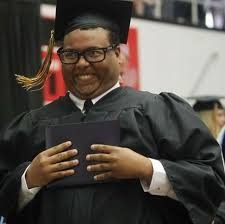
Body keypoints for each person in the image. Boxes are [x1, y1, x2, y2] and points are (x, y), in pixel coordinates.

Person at [0, 0, 225, 224]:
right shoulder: (33, 125)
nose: (81, 64)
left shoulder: (157, 112)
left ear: (118, 55)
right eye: (70, 55)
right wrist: (29, 178)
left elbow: (211, 181)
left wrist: (147, 169)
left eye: (94, 52)